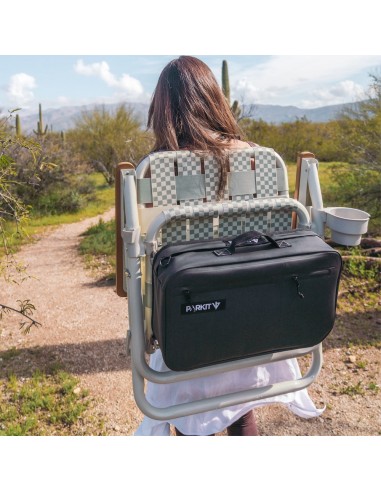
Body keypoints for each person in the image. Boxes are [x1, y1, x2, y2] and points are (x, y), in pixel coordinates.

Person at [134, 56, 324, 436]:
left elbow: (138, 265)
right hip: (258, 317)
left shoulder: (153, 172)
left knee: (193, 415)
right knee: (240, 410)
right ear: (214, 99)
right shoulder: (261, 160)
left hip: (187, 326)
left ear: (163, 108)